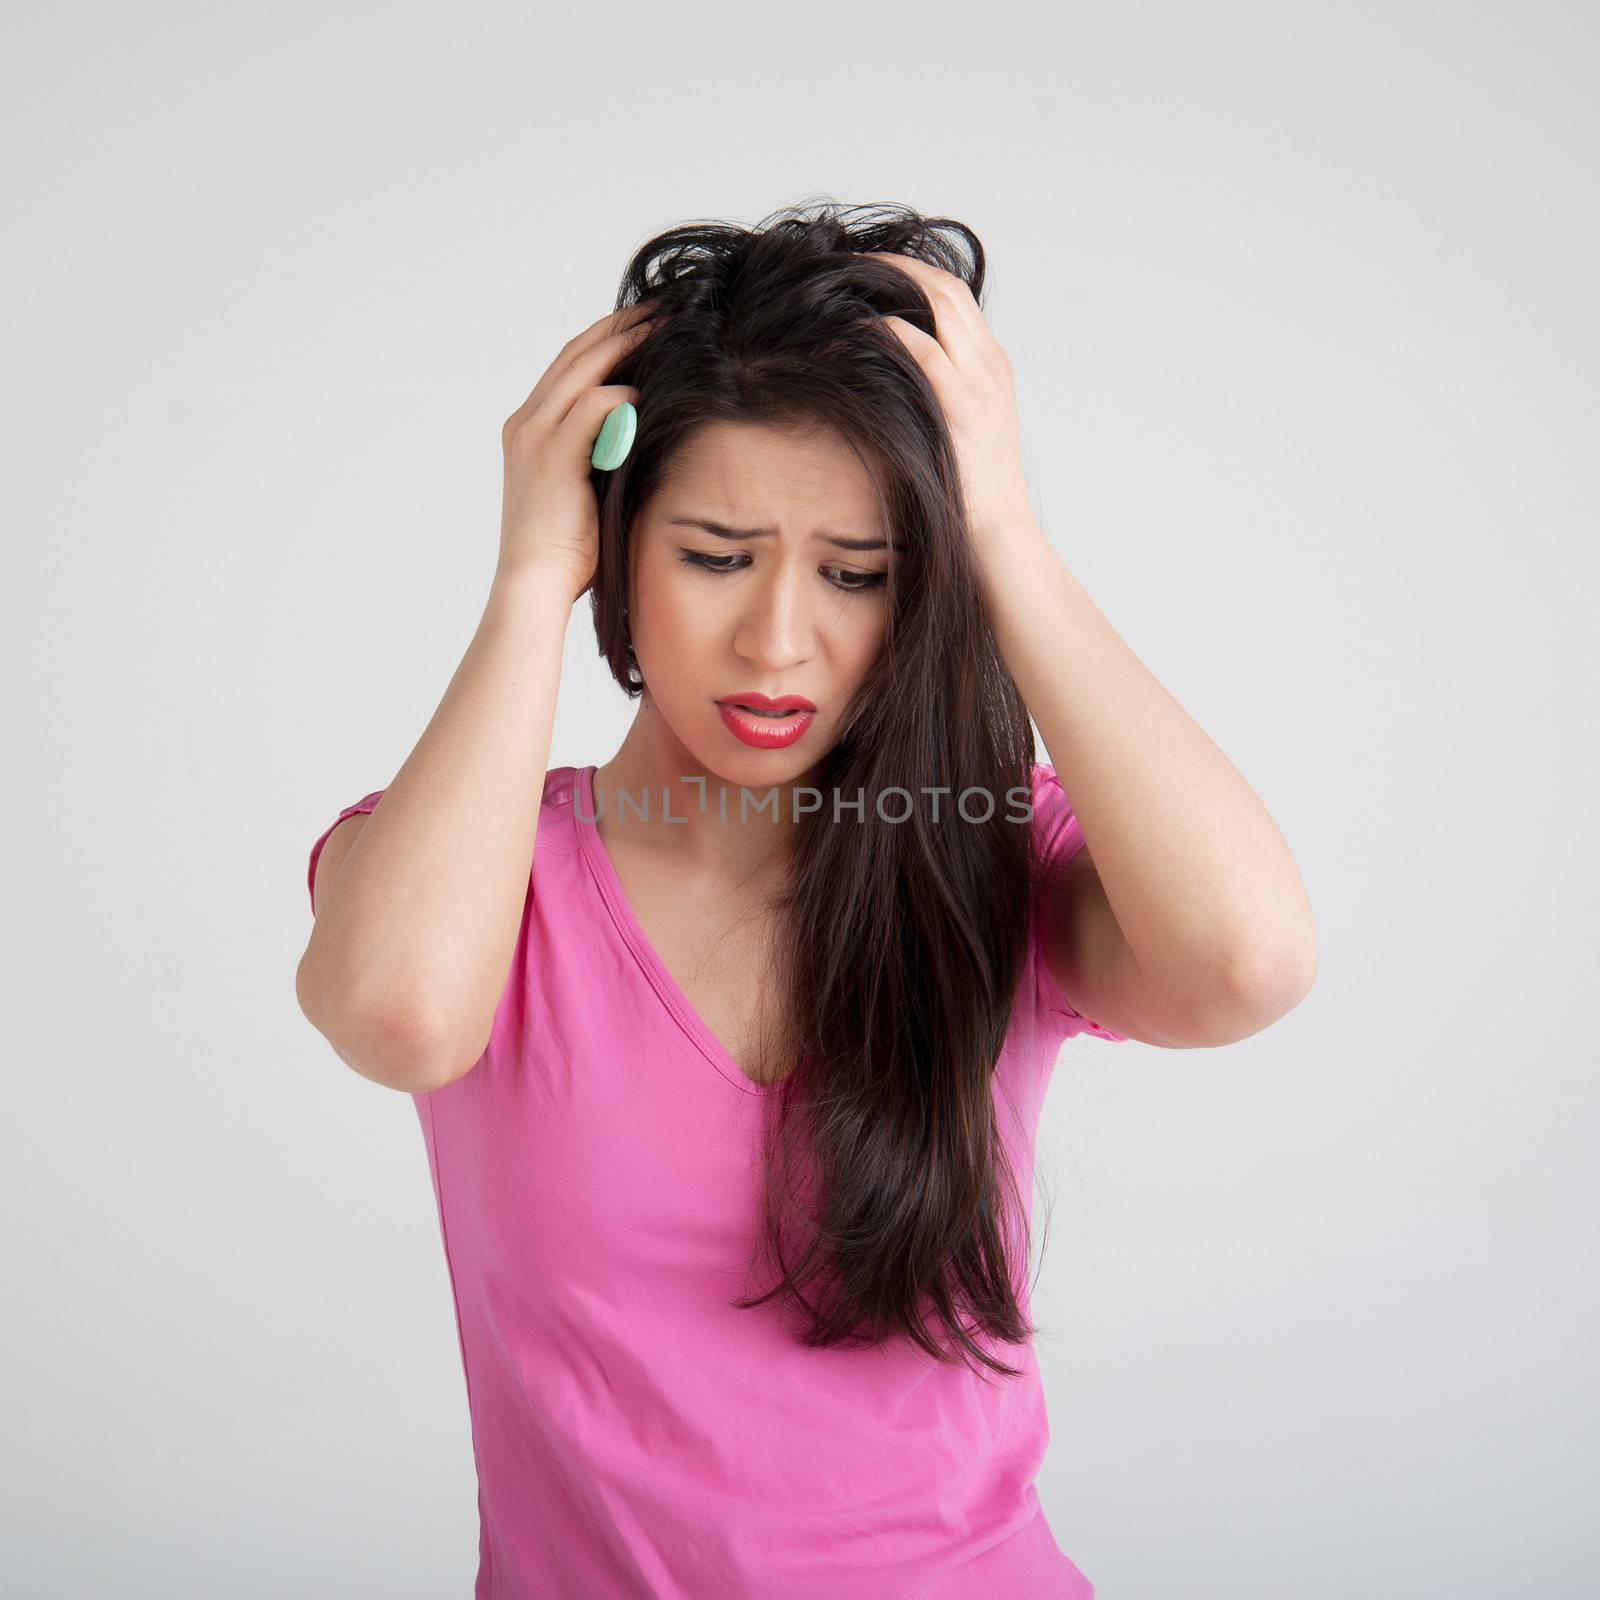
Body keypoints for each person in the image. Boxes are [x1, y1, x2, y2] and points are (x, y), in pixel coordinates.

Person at [297, 199, 1318, 1599]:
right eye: (716, 555)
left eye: (859, 576)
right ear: (618, 544)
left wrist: (1002, 528)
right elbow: (399, 1018)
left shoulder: (990, 855)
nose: (778, 642)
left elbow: (1247, 963)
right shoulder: (472, 866)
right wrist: (531, 573)